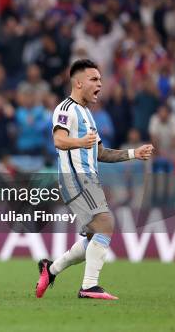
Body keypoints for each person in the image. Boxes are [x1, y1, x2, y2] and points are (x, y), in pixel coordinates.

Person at [36, 59, 154, 300]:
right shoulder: (65, 109)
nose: (100, 83)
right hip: (75, 179)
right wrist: (80, 142)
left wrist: (134, 153)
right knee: (105, 223)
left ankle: (51, 269)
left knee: (93, 236)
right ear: (79, 83)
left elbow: (100, 153)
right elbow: (59, 141)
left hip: (89, 179)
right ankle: (89, 286)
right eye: (94, 79)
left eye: (100, 79)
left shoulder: (88, 114)